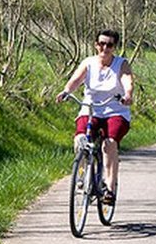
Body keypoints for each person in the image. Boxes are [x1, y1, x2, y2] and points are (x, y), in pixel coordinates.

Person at [55, 30, 134, 205]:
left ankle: (109, 188)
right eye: (102, 44)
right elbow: (76, 79)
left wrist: (127, 94)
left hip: (116, 111)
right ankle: (81, 173)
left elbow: (127, 80)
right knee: (80, 138)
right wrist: (66, 91)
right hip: (91, 109)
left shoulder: (121, 64)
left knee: (109, 144)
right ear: (96, 44)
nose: (105, 48)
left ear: (114, 47)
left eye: (110, 45)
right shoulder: (88, 63)